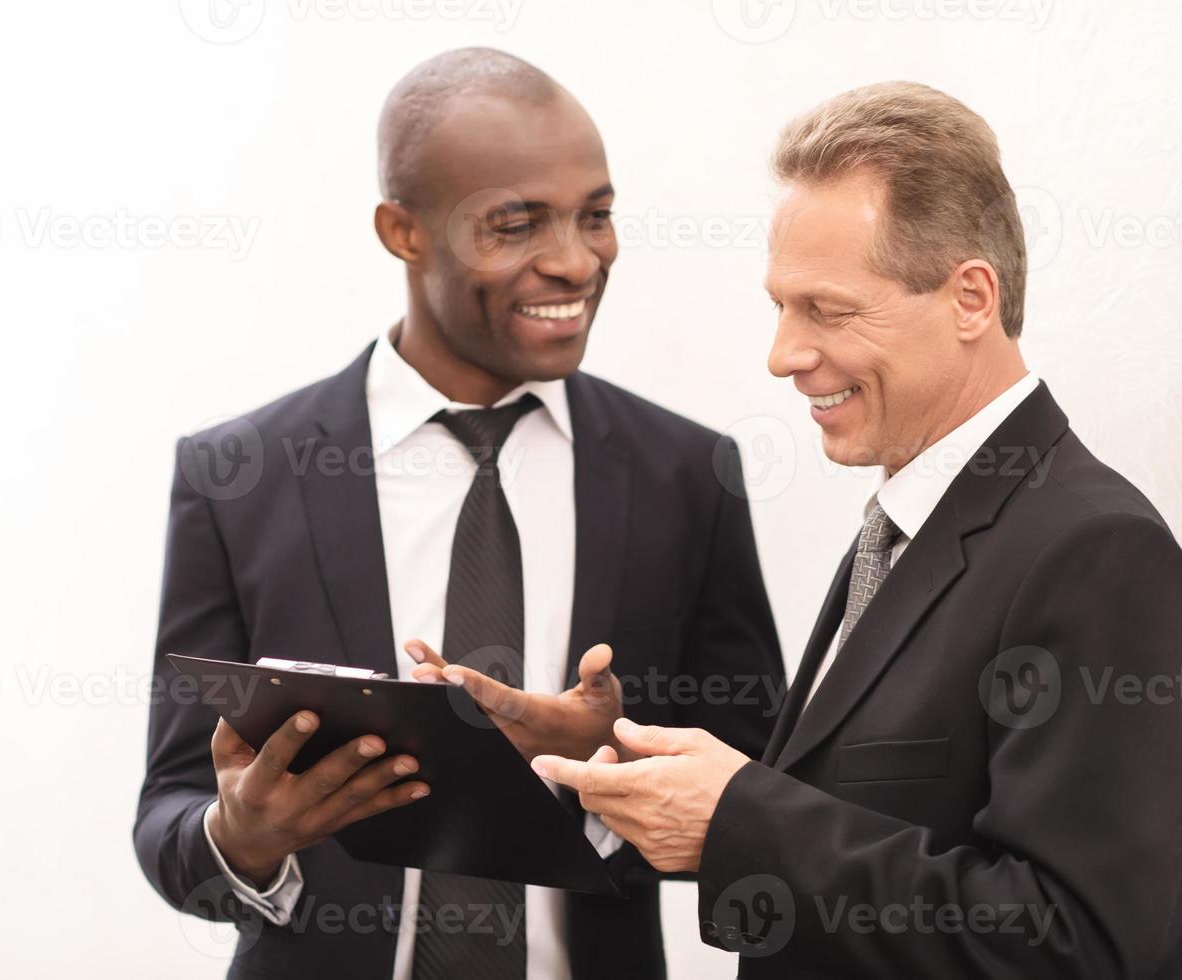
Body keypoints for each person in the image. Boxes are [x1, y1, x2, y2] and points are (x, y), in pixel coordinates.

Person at [536, 81, 1182, 979]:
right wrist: (607, 764)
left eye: (827, 309)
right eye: (780, 307)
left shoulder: (1098, 556)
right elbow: (846, 816)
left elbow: (1077, 946)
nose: (782, 354)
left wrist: (738, 817)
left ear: (971, 298)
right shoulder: (905, 529)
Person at [133, 47, 784, 980]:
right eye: (516, 224)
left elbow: (763, 802)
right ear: (402, 231)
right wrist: (245, 836)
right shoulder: (237, 476)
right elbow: (171, 814)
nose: (574, 259)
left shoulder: (685, 474)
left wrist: (605, 763)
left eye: (595, 215)